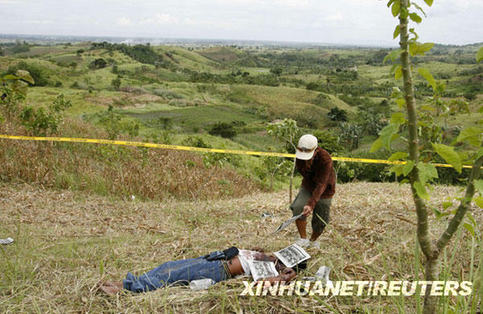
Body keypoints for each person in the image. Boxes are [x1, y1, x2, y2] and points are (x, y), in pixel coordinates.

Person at [99, 247, 306, 295]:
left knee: (172, 276)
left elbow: (260, 285)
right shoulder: (268, 256)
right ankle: (132, 281)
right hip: (215, 258)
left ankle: (126, 288)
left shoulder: (275, 273)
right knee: (169, 267)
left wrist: (283, 276)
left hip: (219, 269)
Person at [291, 134, 336, 249]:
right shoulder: (299, 157)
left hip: (325, 189)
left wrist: (311, 204)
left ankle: (313, 240)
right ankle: (303, 239)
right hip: (308, 186)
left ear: (316, 150)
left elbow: (322, 183)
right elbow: (303, 173)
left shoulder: (325, 159)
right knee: (298, 207)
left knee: (321, 219)